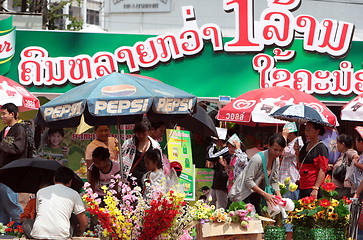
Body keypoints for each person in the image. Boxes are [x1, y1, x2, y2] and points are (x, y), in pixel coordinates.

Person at [229, 133, 285, 215]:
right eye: (275, 149)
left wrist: (279, 198)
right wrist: (265, 194)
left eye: (280, 150)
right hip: (243, 194)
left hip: (256, 195)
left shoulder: (276, 160)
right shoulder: (258, 158)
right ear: (269, 146)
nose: (277, 153)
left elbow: (274, 181)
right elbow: (248, 180)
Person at [30, 167, 88, 239]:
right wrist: (80, 233)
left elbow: (38, 214)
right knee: (73, 217)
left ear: (54, 179)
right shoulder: (74, 193)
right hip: (61, 236)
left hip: (38, 234)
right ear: (70, 182)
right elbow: (84, 222)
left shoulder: (40, 192)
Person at [0, 103, 27, 224]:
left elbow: (18, 149)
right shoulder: (4, 130)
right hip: (2, 172)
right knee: (2, 206)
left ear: (12, 114)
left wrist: (1, 144)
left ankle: (25, 226)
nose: (2, 117)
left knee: (11, 204)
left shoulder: (19, 129)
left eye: (4, 113)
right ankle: (5, 230)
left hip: (12, 173)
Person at [122, 121, 162, 187]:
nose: (141, 135)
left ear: (148, 131)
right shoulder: (128, 144)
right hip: (131, 181)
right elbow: (121, 161)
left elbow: (159, 164)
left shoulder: (155, 146)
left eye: (144, 132)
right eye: (138, 132)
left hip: (148, 180)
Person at [295, 122, 329, 199]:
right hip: (303, 185)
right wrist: (297, 153)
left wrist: (316, 188)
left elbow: (322, 169)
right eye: (306, 130)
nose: (306, 132)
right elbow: (300, 166)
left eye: (309, 130)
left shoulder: (321, 148)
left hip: (312, 186)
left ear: (317, 131)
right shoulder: (305, 146)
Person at [206, 135, 231, 209]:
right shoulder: (221, 149)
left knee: (221, 205)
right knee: (210, 203)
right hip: (217, 180)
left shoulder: (225, 150)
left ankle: (221, 219)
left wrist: (212, 144)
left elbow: (210, 156)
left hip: (222, 181)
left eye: (216, 140)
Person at [331, 134, 357, 199]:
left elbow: (356, 157)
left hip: (343, 189)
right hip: (338, 187)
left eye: (338, 143)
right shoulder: (342, 155)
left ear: (343, 144)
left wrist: (353, 167)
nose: (337, 146)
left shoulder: (349, 152)